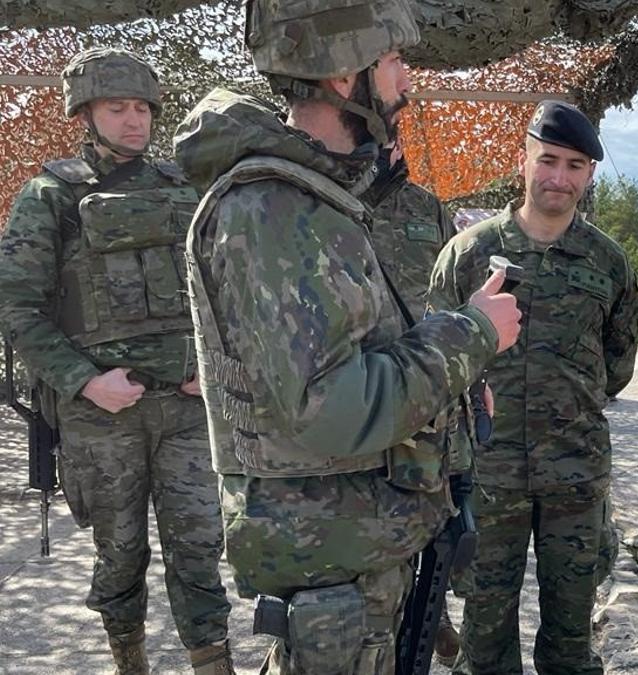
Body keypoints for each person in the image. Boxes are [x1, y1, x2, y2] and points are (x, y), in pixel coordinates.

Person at [174, 0, 521, 671]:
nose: (406, 81)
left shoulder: (315, 198)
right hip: (331, 569)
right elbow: (329, 407)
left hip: (357, 558)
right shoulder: (272, 210)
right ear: (342, 76)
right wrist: (474, 334)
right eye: (393, 60)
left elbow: (358, 358)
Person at [0, 48, 233, 674]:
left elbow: (221, 290)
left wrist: (209, 368)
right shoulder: (51, 195)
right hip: (103, 417)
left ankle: (213, 662)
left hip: (186, 409)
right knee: (119, 555)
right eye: (116, 107)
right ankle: (130, 661)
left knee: (201, 550)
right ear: (86, 111)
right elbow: (17, 307)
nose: (133, 121)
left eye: (141, 108)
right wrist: (84, 382)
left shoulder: (183, 187)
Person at [428, 99, 638, 675]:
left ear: (589, 174)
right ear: (523, 162)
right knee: (485, 630)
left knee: (571, 632)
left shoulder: (607, 262)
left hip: (575, 475)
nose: (559, 178)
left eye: (575, 166)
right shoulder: (469, 256)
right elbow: (432, 361)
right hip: (488, 473)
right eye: (548, 160)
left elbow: (618, 364)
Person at [360, 139, 464, 665]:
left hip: (425, 393)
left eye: (394, 131)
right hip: (357, 396)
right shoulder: (324, 200)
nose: (387, 144)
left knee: (433, 514)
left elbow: (453, 297)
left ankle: (432, 612)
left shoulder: (426, 208)